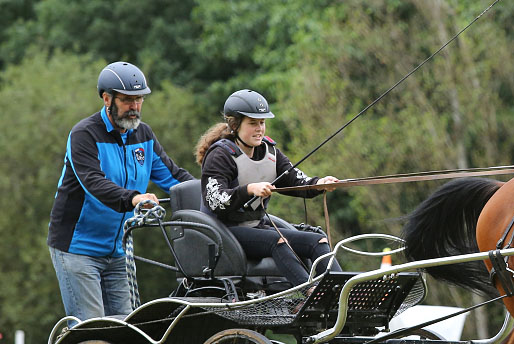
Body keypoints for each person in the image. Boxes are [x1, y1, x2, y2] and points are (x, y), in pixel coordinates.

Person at [48, 61, 195, 321]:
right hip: (77, 249)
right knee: (93, 328)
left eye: (139, 100)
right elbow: (94, 183)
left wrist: (213, 196)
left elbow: (175, 178)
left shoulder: (143, 136)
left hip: (117, 251)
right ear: (107, 98)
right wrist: (134, 198)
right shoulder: (84, 134)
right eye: (128, 100)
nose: (135, 107)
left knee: (126, 332)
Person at [196, 89, 339, 289]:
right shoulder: (220, 155)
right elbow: (216, 200)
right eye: (253, 123)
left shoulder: (270, 152)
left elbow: (294, 180)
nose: (260, 129)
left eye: (262, 122)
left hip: (256, 227)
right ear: (234, 125)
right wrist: (249, 189)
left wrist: (318, 184)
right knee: (277, 241)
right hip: (224, 232)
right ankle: (310, 295)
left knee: (318, 241)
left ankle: (342, 295)